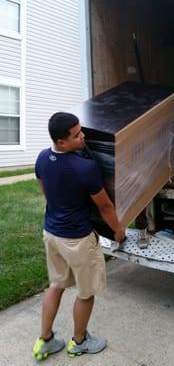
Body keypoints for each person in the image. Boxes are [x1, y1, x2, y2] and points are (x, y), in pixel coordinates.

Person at [32, 112, 125, 361]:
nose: (83, 136)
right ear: (61, 141)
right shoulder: (85, 167)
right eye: (76, 135)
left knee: (57, 285)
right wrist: (118, 230)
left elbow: (46, 192)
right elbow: (105, 206)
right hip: (78, 240)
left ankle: (45, 340)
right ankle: (80, 342)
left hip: (51, 233)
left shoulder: (42, 158)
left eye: (81, 130)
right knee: (86, 292)